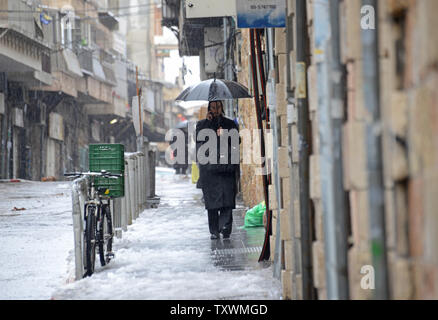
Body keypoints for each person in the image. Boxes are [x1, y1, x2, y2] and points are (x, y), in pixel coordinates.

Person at [196, 100, 239, 240]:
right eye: (213, 107)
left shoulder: (230, 124)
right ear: (209, 108)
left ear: (222, 108)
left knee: (227, 199)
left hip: (226, 168)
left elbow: (237, 141)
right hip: (209, 170)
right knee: (212, 202)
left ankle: (225, 227)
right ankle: (214, 230)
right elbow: (198, 141)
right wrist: (209, 124)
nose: (216, 110)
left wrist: (225, 134)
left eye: (218, 107)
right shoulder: (202, 125)